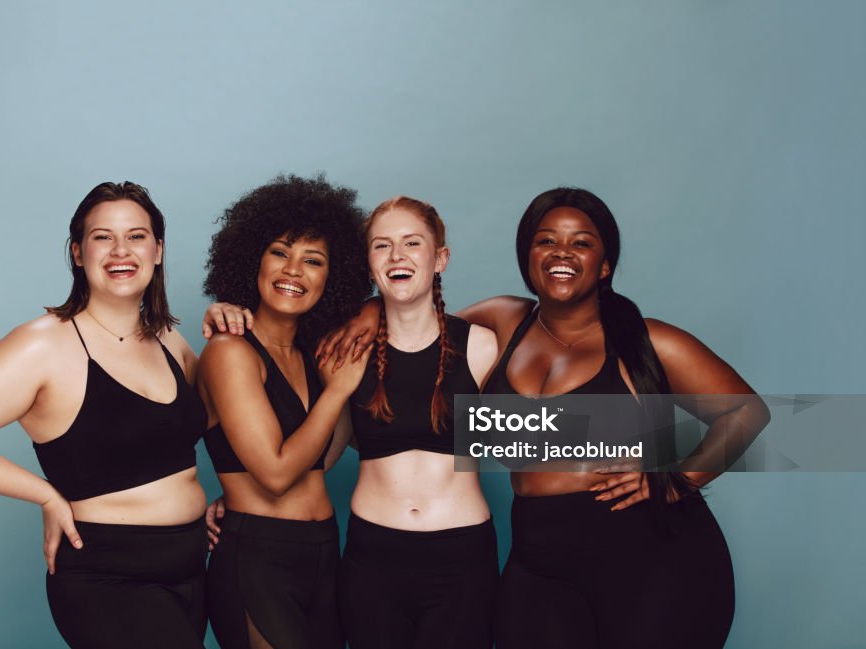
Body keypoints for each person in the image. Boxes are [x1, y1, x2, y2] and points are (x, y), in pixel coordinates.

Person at [317, 187, 770, 649]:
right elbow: (417, 324)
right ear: (527, 257)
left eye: (582, 243)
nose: (562, 253)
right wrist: (372, 310)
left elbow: (748, 412)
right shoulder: (503, 320)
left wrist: (677, 478)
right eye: (546, 240)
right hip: (540, 557)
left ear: (606, 264)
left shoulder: (647, 339)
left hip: (650, 553)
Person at [0, 182, 210, 649]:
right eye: (102, 237)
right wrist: (47, 496)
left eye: (136, 236)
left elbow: (217, 425)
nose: (120, 250)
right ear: (77, 252)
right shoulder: (42, 345)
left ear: (158, 250)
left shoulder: (170, 341)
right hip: (110, 580)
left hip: (193, 572)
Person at [198, 174, 372, 649]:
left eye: (313, 261)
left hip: (322, 553)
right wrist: (338, 393)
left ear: (331, 278)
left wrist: (371, 313)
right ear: (253, 258)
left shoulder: (312, 354)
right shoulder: (230, 352)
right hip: (258, 558)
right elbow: (275, 474)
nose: (293, 270)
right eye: (280, 252)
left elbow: (322, 457)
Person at [337, 196, 500, 648]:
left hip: (462, 558)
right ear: (369, 264)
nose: (397, 257)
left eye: (412, 243)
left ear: (440, 258)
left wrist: (650, 448)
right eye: (381, 246)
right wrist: (242, 500)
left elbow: (536, 436)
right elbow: (318, 449)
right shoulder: (347, 348)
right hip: (371, 558)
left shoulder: (482, 347)